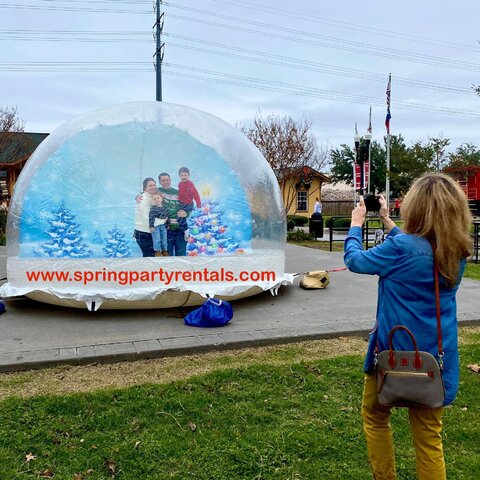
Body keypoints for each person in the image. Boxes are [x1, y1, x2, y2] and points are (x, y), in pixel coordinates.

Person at [344, 173, 472, 480]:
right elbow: (420, 248)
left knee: (375, 416)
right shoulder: (456, 252)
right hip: (435, 360)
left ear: (415, 207)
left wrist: (356, 223)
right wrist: (388, 222)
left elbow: (355, 260)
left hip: (392, 354)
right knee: (429, 440)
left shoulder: (400, 250)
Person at [157, 172, 192, 256]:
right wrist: (138, 197)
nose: (166, 182)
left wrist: (186, 213)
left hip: (180, 229)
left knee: (181, 257)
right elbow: (146, 192)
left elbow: (189, 204)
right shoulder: (157, 192)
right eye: (163, 180)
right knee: (167, 257)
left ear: (170, 180)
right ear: (159, 182)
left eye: (167, 180)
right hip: (166, 230)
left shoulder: (178, 192)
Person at [134, 178, 157, 257]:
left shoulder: (152, 196)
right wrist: (162, 221)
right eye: (150, 185)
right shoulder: (143, 199)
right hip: (143, 233)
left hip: (149, 232)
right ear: (145, 188)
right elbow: (146, 218)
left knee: (151, 257)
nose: (153, 187)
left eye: (154, 185)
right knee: (149, 257)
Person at [149, 191, 169, 257]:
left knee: (164, 238)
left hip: (163, 226)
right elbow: (151, 218)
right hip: (155, 226)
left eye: (158, 198)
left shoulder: (165, 208)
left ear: (161, 198)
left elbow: (167, 217)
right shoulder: (153, 209)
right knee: (156, 239)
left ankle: (164, 251)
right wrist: (151, 226)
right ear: (152, 201)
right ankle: (157, 251)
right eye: (154, 199)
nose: (156, 200)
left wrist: (167, 224)